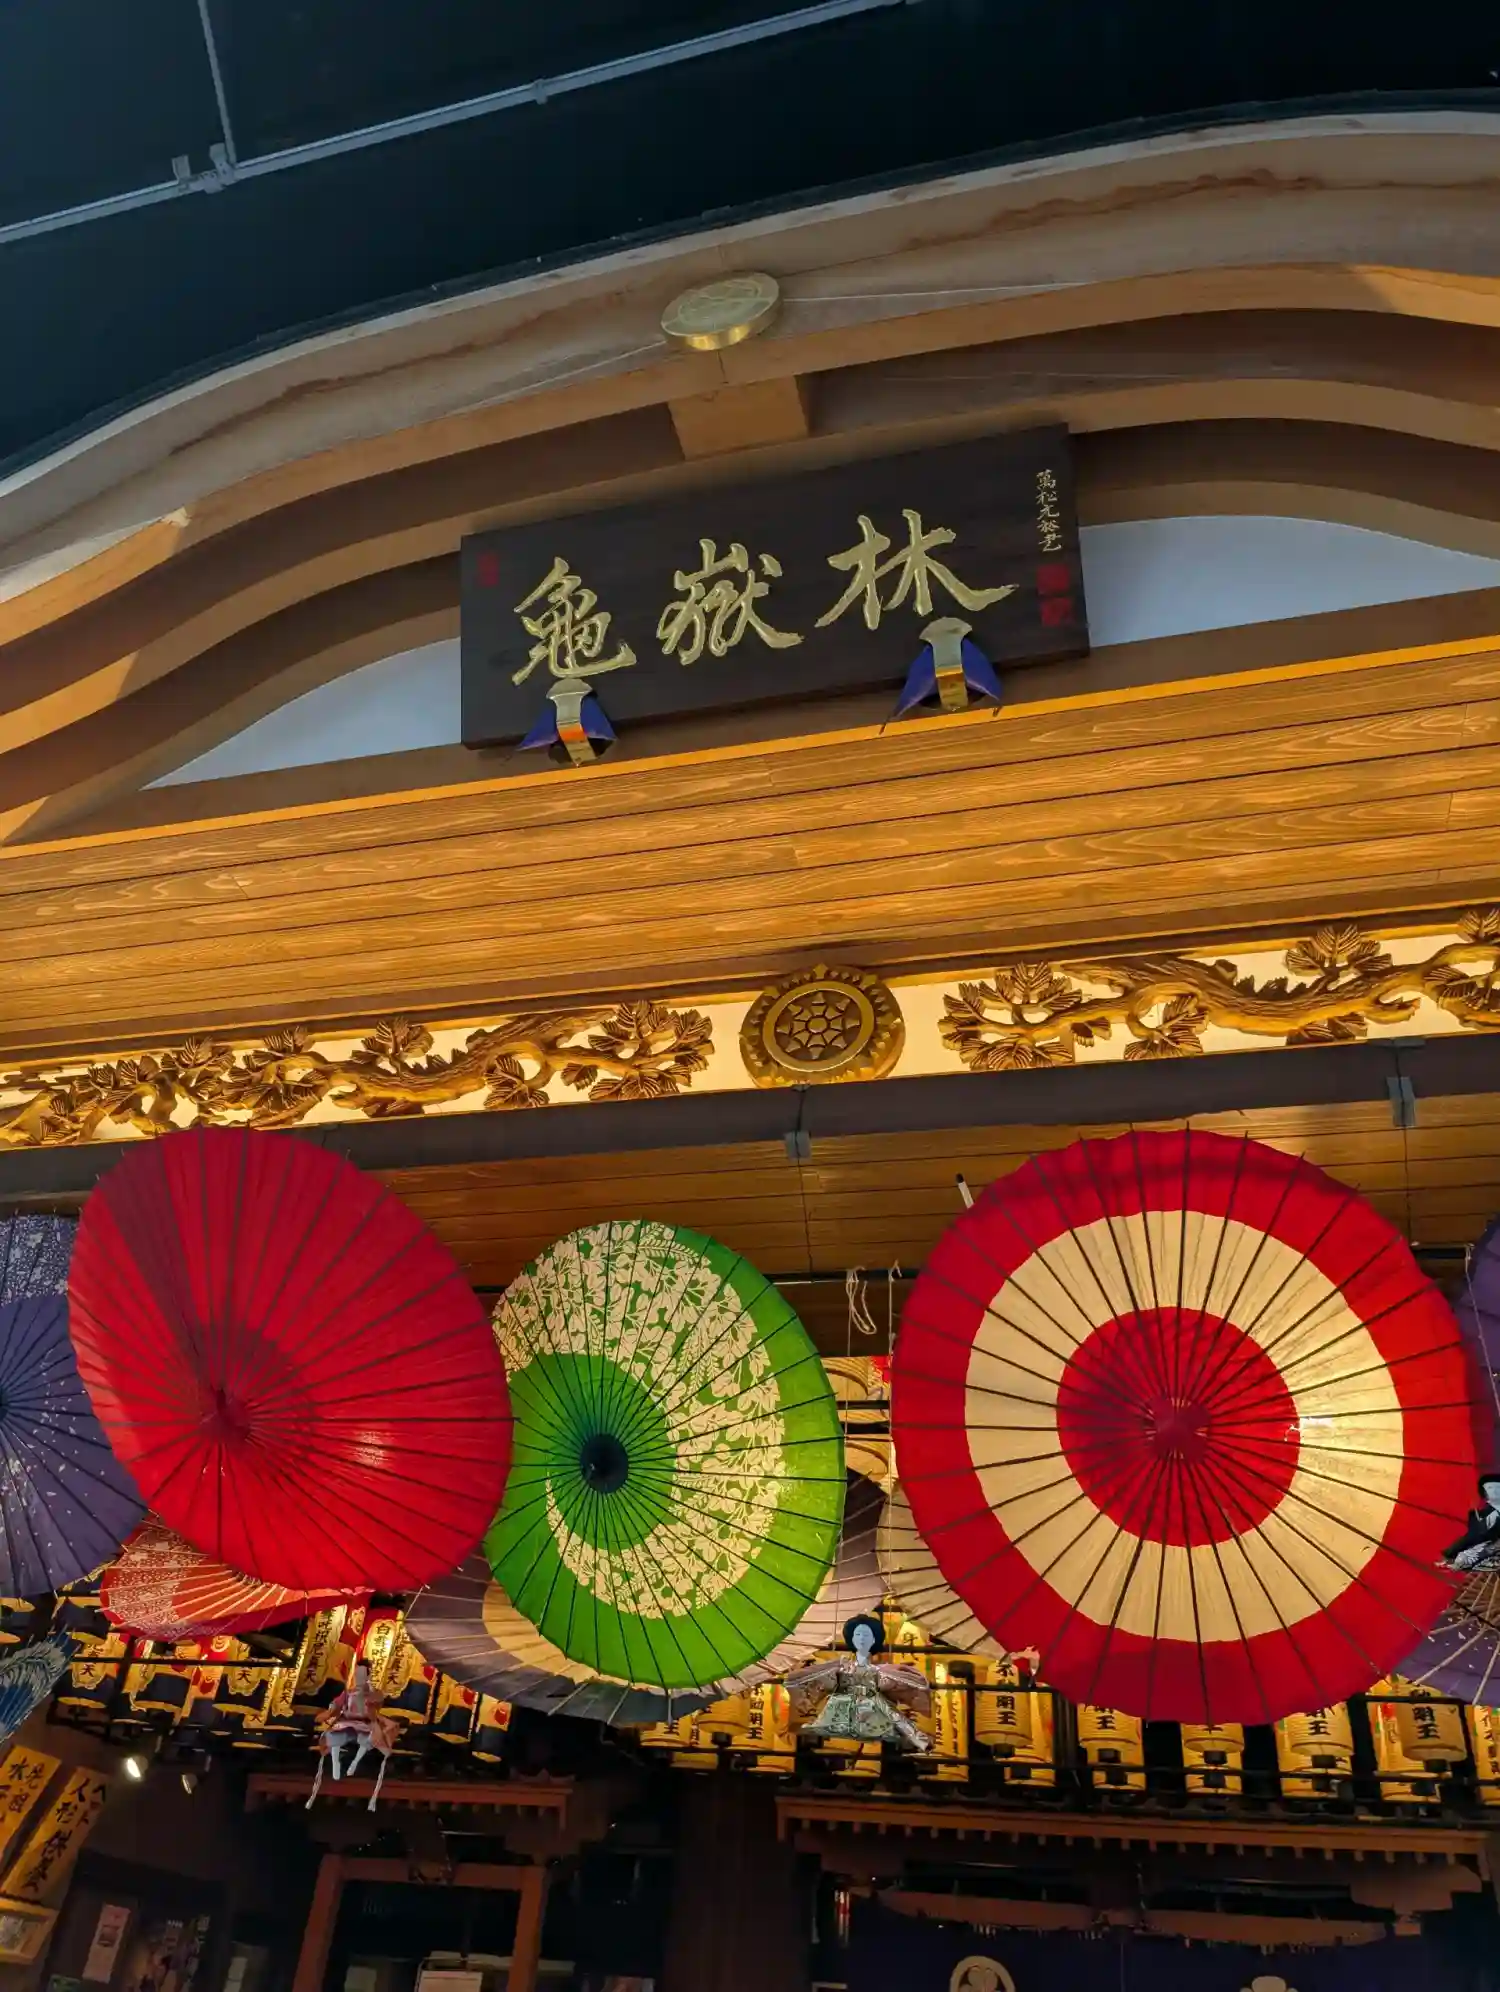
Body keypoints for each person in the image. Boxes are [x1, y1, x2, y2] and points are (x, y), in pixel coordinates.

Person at [787, 1614, 931, 1751]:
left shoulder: (881, 1671)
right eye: (858, 1635)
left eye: (866, 1635)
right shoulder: (839, 1665)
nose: (862, 1639)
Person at [1442, 1476, 1500, 1572]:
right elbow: (1476, 1533)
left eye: (1497, 1487)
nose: (1494, 1491)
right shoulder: (1484, 1512)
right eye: (1490, 1488)